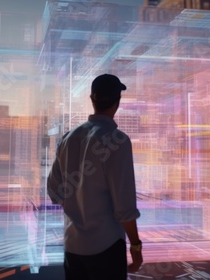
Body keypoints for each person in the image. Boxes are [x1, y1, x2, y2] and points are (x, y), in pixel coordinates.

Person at [47, 74, 143, 280]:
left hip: (73, 248)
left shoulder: (69, 138)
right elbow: (124, 207)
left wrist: (78, 208)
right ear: (118, 102)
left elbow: (54, 190)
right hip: (106, 248)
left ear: (92, 99)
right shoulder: (118, 141)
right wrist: (136, 245)